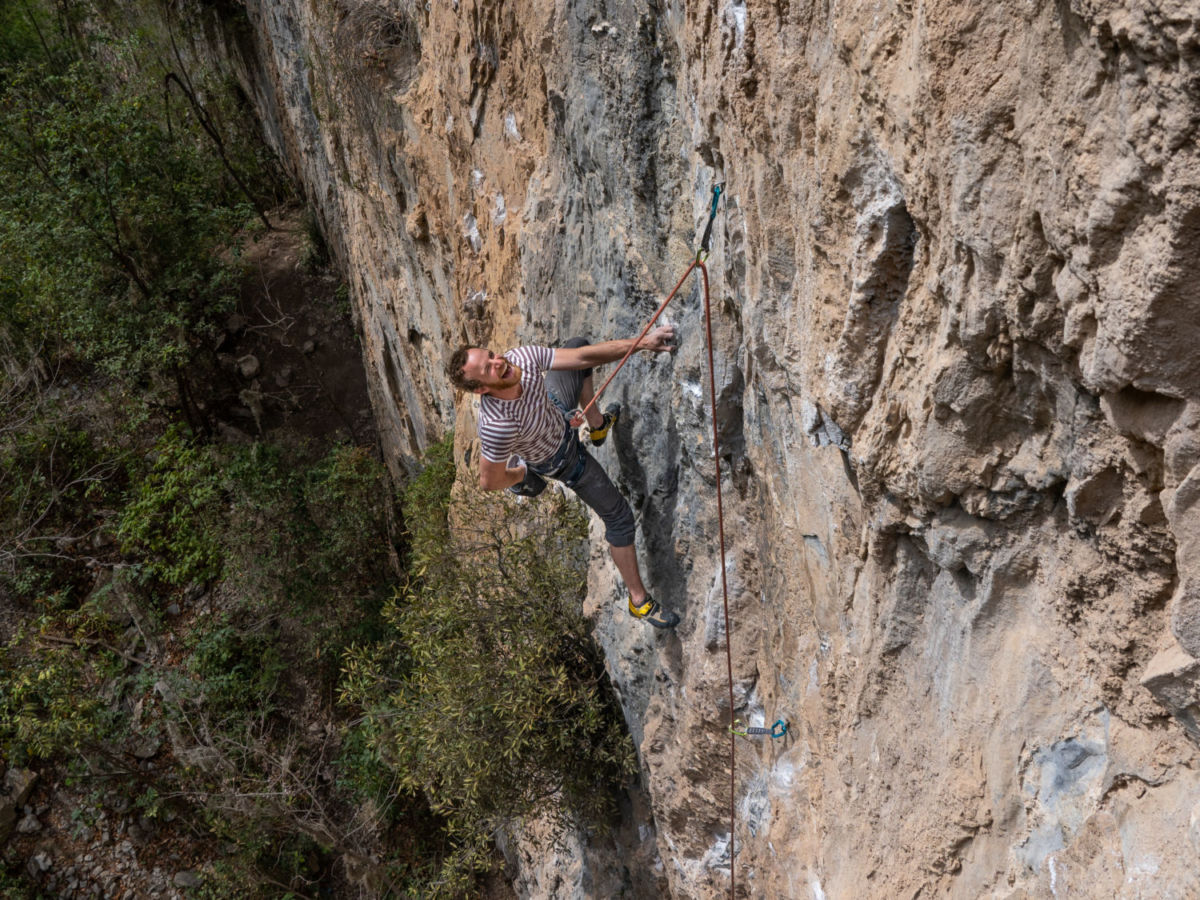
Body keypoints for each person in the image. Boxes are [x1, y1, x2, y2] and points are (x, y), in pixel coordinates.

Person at [446, 326, 681, 628]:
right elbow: (489, 481)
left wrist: (643, 342)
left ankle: (597, 424)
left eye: (491, 355)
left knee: (578, 345)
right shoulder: (497, 426)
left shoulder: (521, 359)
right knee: (620, 518)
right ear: (481, 389)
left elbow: (582, 357)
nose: (499, 362)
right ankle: (639, 602)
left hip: (557, 411)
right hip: (563, 461)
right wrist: (521, 473)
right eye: (488, 368)